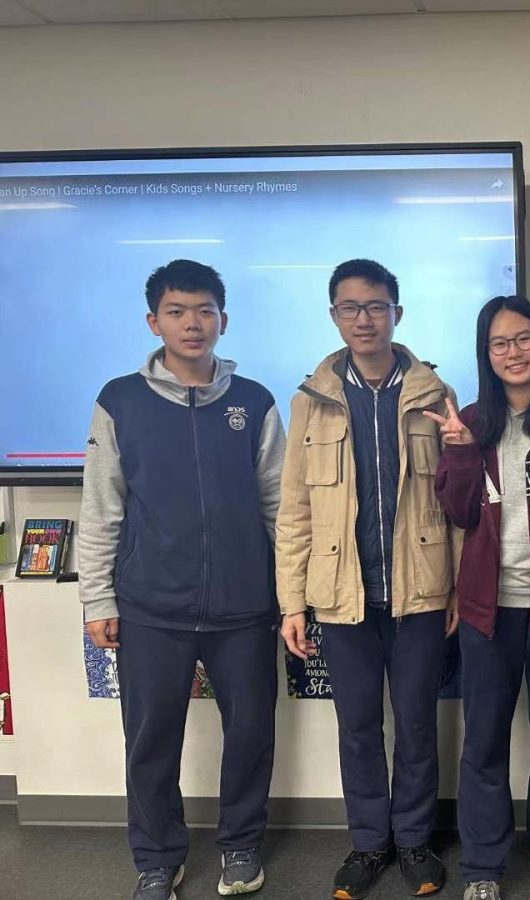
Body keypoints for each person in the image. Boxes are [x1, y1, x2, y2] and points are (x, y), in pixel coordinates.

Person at [78, 259, 284, 900]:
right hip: (150, 607)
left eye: (204, 311)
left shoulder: (254, 401)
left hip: (245, 606)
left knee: (251, 733)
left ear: (223, 318)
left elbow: (278, 506)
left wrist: (291, 594)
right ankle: (157, 859)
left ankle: (242, 845)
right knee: (149, 742)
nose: (192, 324)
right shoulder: (120, 401)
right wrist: (97, 598)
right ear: (154, 321)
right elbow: (102, 506)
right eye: (177, 311)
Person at [276, 259, 458, 900]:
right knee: (357, 725)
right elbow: (295, 507)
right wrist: (291, 601)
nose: (363, 318)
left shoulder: (434, 393)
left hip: (420, 589)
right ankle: (368, 843)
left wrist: (457, 587)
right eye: (350, 308)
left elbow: (456, 498)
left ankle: (413, 841)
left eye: (375, 306)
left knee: (414, 724)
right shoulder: (312, 400)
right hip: (339, 593)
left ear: (396, 314)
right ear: (334, 316)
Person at [428, 295, 530, 900]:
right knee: (484, 737)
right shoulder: (470, 420)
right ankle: (483, 865)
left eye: (522, 339)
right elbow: (460, 511)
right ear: (485, 355)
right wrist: (462, 451)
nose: (513, 352)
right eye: (499, 343)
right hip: (488, 609)